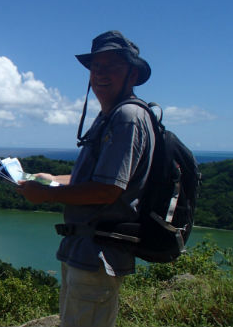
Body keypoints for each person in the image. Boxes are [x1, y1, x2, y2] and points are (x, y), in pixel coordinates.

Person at [16, 30, 155, 327]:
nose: (101, 74)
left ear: (132, 74)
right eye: (96, 67)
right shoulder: (109, 116)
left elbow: (108, 190)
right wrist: (52, 179)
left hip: (98, 252)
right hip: (83, 249)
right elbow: (91, 177)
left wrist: (48, 194)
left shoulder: (127, 116)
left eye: (112, 67)